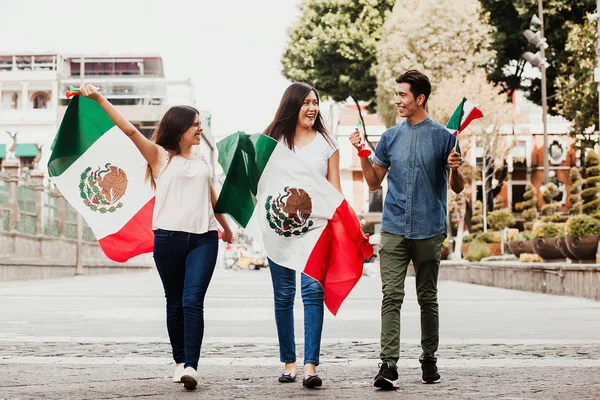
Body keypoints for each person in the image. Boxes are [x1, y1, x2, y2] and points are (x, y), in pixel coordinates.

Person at [80, 84, 234, 390]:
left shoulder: (203, 162)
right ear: (180, 128)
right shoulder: (160, 156)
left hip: (204, 238)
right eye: (194, 123)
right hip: (168, 239)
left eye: (200, 122)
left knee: (193, 301)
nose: (199, 127)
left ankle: (192, 365)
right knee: (175, 303)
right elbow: (128, 129)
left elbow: (213, 198)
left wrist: (226, 227)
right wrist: (98, 98)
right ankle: (179, 361)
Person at [349, 70, 464, 390]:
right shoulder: (389, 137)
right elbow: (374, 182)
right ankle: (387, 365)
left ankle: (429, 359)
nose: (397, 100)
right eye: (396, 94)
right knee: (391, 296)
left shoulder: (445, 136)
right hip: (395, 227)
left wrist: (455, 169)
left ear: (420, 98)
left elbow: (457, 187)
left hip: (429, 228)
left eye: (402, 95)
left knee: (428, 297)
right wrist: (361, 153)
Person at [263, 82, 342, 389]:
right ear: (292, 106)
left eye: (315, 102)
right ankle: (289, 363)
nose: (312, 108)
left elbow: (335, 189)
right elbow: (260, 184)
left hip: (316, 230)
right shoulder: (272, 140)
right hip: (279, 229)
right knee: (283, 296)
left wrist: (340, 225)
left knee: (312, 293)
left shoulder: (327, 142)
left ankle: (310, 366)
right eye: (306, 102)